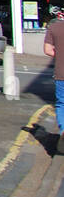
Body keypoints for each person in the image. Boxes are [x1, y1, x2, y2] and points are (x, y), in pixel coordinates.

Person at [46, 8, 64, 154]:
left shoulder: (54, 27)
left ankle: (63, 131)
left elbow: (48, 50)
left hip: (61, 73)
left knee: (62, 104)